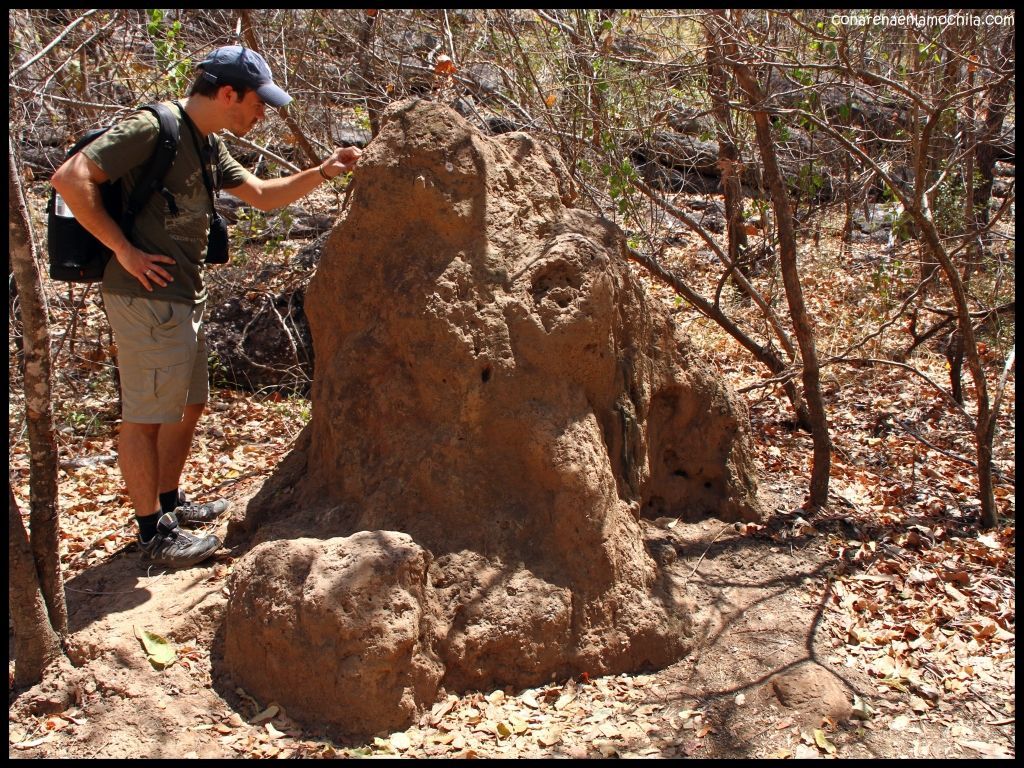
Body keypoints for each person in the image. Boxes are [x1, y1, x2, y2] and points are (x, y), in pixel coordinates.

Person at [50, 45, 361, 568]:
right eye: (257, 103)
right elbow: (70, 178)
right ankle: (153, 536)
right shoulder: (154, 128)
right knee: (145, 418)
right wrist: (123, 251)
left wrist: (325, 172)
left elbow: (262, 194)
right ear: (226, 93)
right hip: (144, 296)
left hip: (182, 295)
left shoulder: (207, 143)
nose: (261, 115)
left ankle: (169, 505)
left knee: (188, 405)